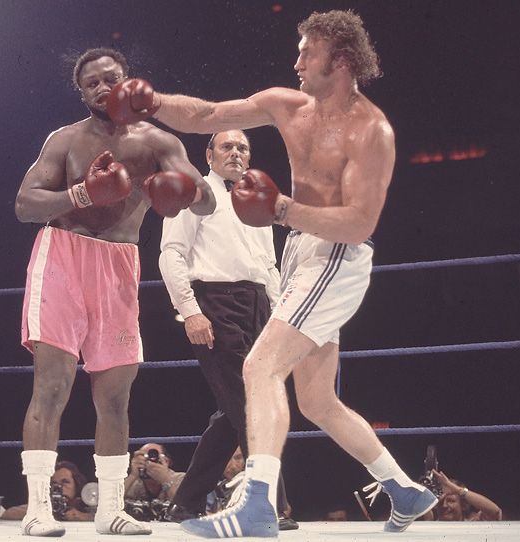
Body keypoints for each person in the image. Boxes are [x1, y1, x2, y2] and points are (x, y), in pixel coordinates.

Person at [105, 9, 438, 538]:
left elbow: (360, 223)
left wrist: (280, 209)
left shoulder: (371, 131)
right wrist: (155, 102)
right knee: (317, 400)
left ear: (342, 60)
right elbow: (210, 113)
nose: (297, 60)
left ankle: (257, 505)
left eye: (308, 51)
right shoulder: (288, 105)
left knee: (258, 369)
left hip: (335, 256)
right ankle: (403, 488)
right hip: (301, 254)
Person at [14, 46, 215, 537]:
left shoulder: (157, 141)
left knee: (116, 397)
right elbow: (25, 203)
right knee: (53, 386)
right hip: (62, 255)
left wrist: (181, 189)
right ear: (82, 93)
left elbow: (206, 202)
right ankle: (37, 508)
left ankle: (109, 511)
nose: (103, 89)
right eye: (92, 84)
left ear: (128, 81)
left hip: (119, 265)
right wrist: (81, 194)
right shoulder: (65, 140)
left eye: (111, 79)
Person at [158, 130, 296, 530]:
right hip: (215, 303)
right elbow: (171, 255)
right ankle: (271, 505)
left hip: (259, 306)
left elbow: (267, 266)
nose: (235, 153)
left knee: (232, 412)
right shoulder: (196, 195)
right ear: (210, 154)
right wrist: (190, 311)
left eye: (242, 148)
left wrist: (280, 315)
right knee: (252, 405)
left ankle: (185, 503)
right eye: (227, 147)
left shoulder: (259, 199)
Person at [2, 460, 93, 521]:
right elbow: (8, 513)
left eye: (65, 482)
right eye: (54, 483)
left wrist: (84, 517)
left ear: (77, 485)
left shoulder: (87, 503)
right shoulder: (45, 505)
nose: (59, 487)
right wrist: (46, 512)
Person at [123, 443, 185, 521]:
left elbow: (185, 508)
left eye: (154, 456)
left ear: (166, 461)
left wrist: (166, 481)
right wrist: (133, 475)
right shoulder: (134, 483)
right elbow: (112, 502)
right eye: (143, 457)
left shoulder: (181, 479)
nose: (149, 462)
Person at [426, 470, 502, 521]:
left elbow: (495, 512)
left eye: (451, 501)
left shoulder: (473, 524)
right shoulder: (431, 526)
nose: (444, 506)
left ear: (463, 505)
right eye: (440, 502)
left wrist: (457, 490)